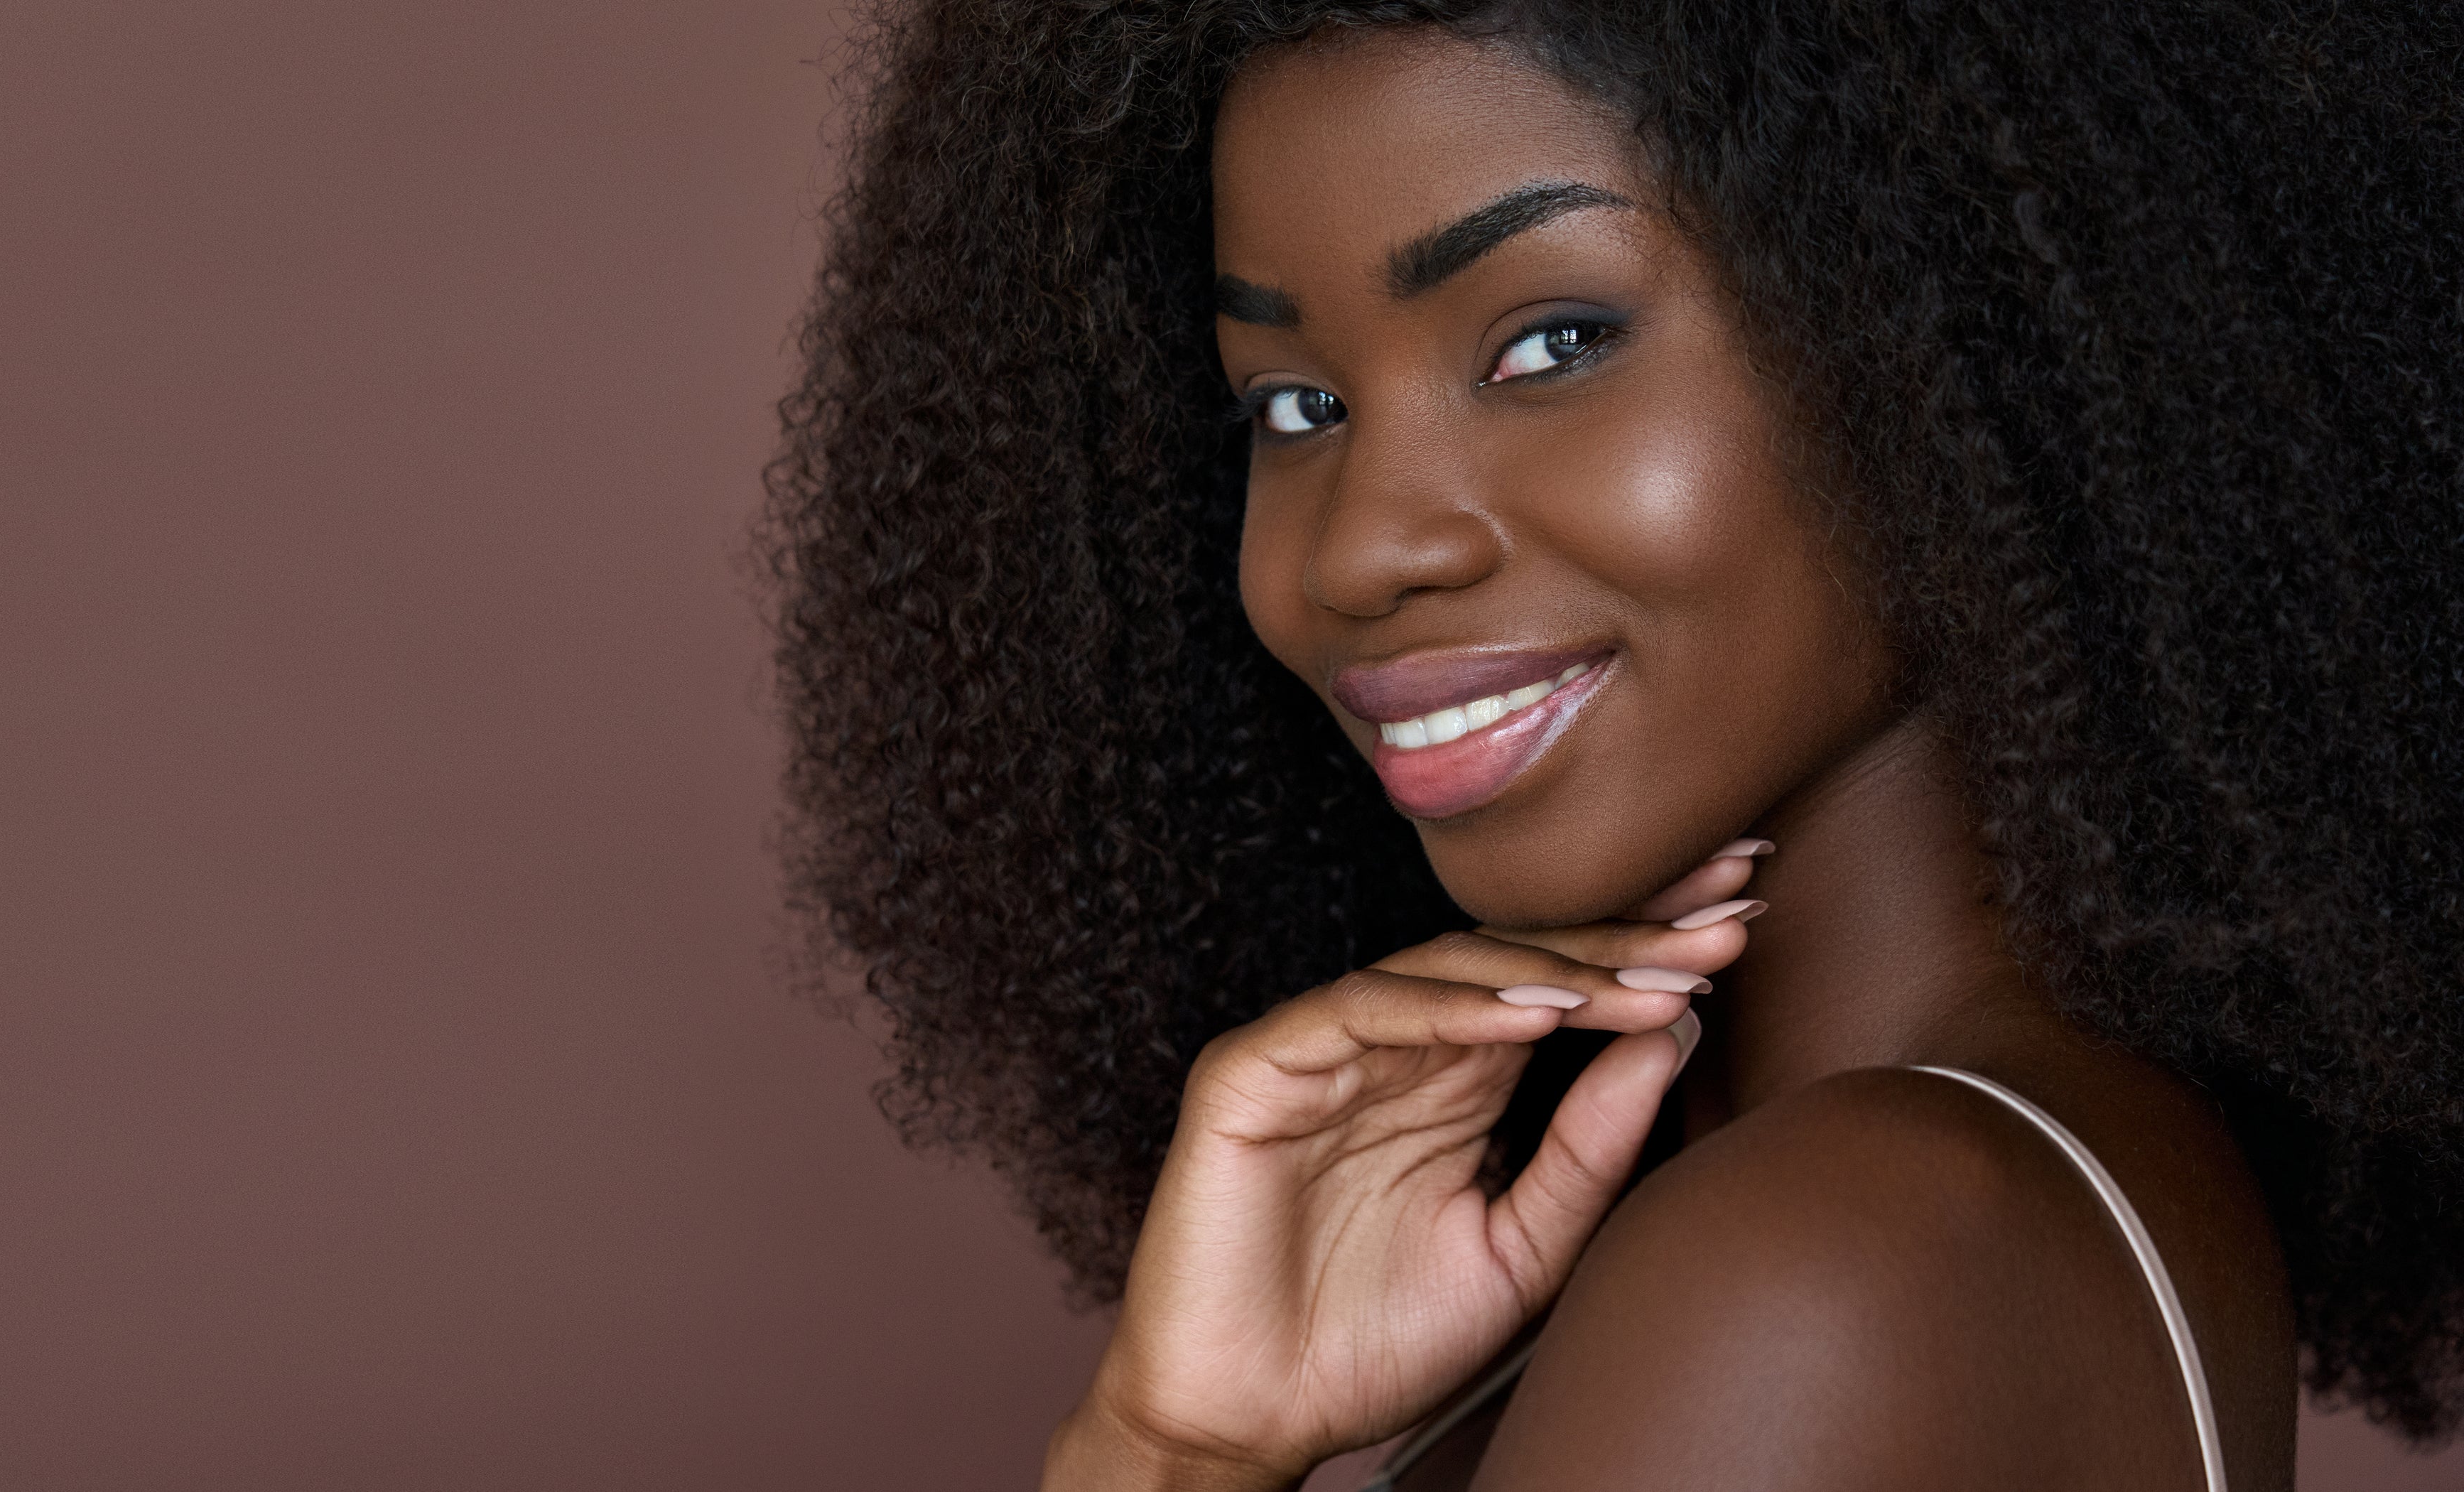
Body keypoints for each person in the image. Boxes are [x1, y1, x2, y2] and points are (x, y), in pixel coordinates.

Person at [764, 1, 2464, 1486]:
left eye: (1554, 342)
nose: (1359, 550)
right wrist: (1173, 1449)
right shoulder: (1973, 1178)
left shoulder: (1830, 1260)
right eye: (1297, 406)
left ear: (1969, 331)